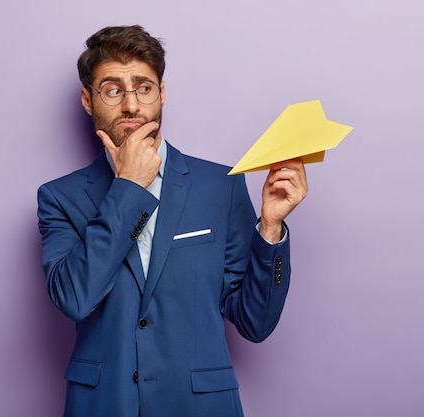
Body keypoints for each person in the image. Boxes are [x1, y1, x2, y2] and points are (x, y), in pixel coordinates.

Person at [37, 25, 308, 417]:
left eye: (143, 87)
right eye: (113, 89)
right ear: (87, 99)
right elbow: (75, 298)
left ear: (162, 93)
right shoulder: (59, 198)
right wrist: (129, 186)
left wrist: (270, 229)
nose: (131, 105)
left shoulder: (220, 185)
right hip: (104, 405)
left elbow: (255, 323)